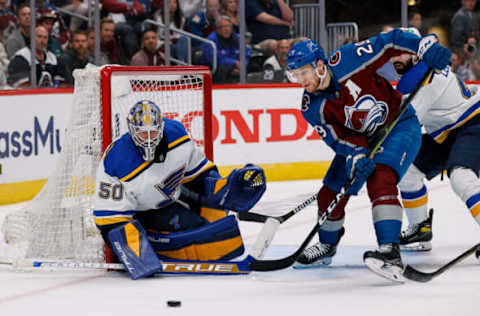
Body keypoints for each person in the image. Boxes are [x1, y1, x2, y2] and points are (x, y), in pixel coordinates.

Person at [285, 31, 451, 282]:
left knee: (381, 177)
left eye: (303, 73)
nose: (300, 80)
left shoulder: (349, 59)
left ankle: (390, 252)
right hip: (363, 141)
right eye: (295, 76)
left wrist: (423, 46)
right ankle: (327, 246)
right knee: (329, 192)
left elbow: (389, 42)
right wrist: (356, 155)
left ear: (319, 65)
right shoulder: (311, 107)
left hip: (399, 126)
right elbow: (337, 139)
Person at [92, 100, 266, 279]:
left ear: (161, 127)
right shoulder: (117, 160)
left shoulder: (177, 135)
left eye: (154, 132)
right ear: (132, 130)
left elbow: (199, 175)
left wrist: (225, 190)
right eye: (143, 133)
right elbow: (109, 220)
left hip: (169, 205)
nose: (150, 138)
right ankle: (158, 247)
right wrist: (134, 253)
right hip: (140, 217)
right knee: (208, 244)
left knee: (217, 233)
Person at [390, 33, 480, 254]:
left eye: (401, 53)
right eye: (392, 55)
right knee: (408, 170)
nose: (395, 59)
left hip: (474, 122)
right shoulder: (417, 76)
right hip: (446, 134)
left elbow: (406, 124)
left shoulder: (429, 77)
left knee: (461, 176)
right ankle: (420, 228)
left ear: (416, 54)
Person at [202, 15, 250, 83]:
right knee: (224, 68)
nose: (226, 29)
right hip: (218, 71)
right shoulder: (210, 42)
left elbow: (246, 55)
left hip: (238, 68)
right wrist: (234, 64)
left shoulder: (238, 38)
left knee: (254, 65)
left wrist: (243, 64)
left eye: (228, 26)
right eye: (223, 27)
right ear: (217, 29)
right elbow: (215, 60)